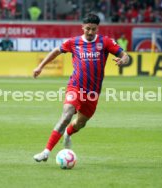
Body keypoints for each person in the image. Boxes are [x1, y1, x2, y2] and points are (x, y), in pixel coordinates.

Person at [33, 13, 129, 162]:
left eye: (94, 29)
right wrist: (40, 66)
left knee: (80, 123)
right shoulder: (74, 42)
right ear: (82, 27)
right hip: (75, 87)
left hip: (93, 93)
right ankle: (46, 151)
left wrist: (123, 60)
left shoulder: (105, 42)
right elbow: (56, 51)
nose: (90, 32)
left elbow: (126, 56)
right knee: (67, 115)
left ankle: (68, 134)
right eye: (88, 29)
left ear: (98, 29)